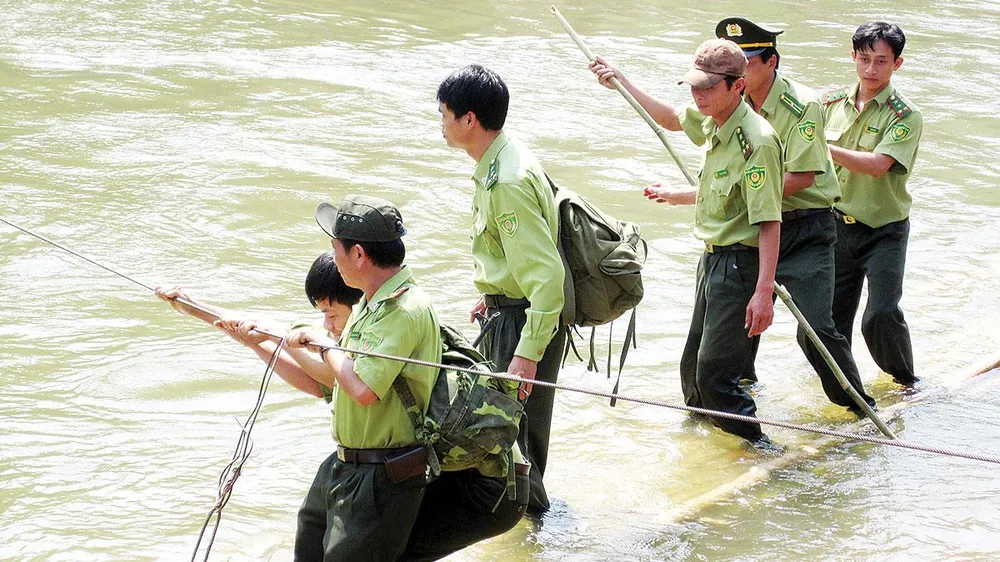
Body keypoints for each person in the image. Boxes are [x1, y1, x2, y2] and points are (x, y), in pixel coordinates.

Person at [160, 195, 442, 561]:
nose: (333, 257)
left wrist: (320, 343)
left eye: (335, 248)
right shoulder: (372, 304)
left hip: (381, 476)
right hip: (346, 465)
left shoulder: (403, 310)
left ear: (358, 254)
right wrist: (231, 325)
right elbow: (326, 382)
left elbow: (362, 389)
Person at [590, 39, 783, 449]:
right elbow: (671, 119)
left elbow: (769, 220)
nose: (698, 96)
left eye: (708, 87)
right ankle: (702, 451)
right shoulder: (715, 119)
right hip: (712, 261)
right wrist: (621, 81)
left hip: (741, 264)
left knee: (715, 378)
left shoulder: (757, 140)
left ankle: (762, 449)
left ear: (738, 86)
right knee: (692, 372)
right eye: (694, 86)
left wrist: (764, 291)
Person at [713, 17, 877, 414]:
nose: (735, 70)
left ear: (770, 62)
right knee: (731, 326)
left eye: (744, 61)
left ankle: (859, 405)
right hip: (755, 225)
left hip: (806, 227)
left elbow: (803, 176)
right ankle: (730, 406)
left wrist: (742, 196)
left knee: (815, 330)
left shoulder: (802, 104)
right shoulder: (729, 101)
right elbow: (678, 118)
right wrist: (621, 82)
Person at [437, 64, 567, 513]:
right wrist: (492, 293)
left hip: (524, 323)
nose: (441, 122)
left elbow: (548, 279)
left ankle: (542, 537)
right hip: (511, 313)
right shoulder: (502, 160)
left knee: (513, 448)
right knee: (510, 444)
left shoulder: (506, 181)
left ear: (468, 119)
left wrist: (526, 355)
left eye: (444, 113)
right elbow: (519, 254)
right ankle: (534, 535)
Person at [823, 22, 922, 387]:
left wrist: (823, 147)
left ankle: (906, 382)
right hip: (836, 226)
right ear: (852, 57)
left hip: (885, 230)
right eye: (864, 59)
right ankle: (847, 392)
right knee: (828, 323)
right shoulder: (828, 104)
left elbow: (879, 166)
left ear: (897, 64)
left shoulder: (905, 115)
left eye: (881, 61)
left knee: (880, 315)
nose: (871, 69)